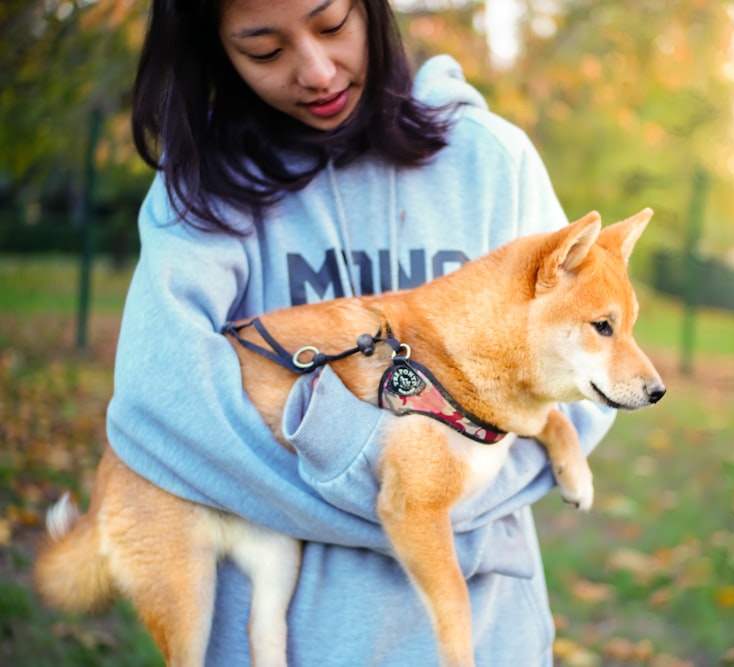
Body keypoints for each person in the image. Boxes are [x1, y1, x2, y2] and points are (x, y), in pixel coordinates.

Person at [108, 0, 615, 664]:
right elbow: (160, 404)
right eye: (265, 50)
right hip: (284, 639)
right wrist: (377, 477)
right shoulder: (202, 190)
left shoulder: (492, 160)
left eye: (330, 24)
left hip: (486, 634)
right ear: (216, 52)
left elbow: (582, 374)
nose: (316, 71)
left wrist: (437, 497)